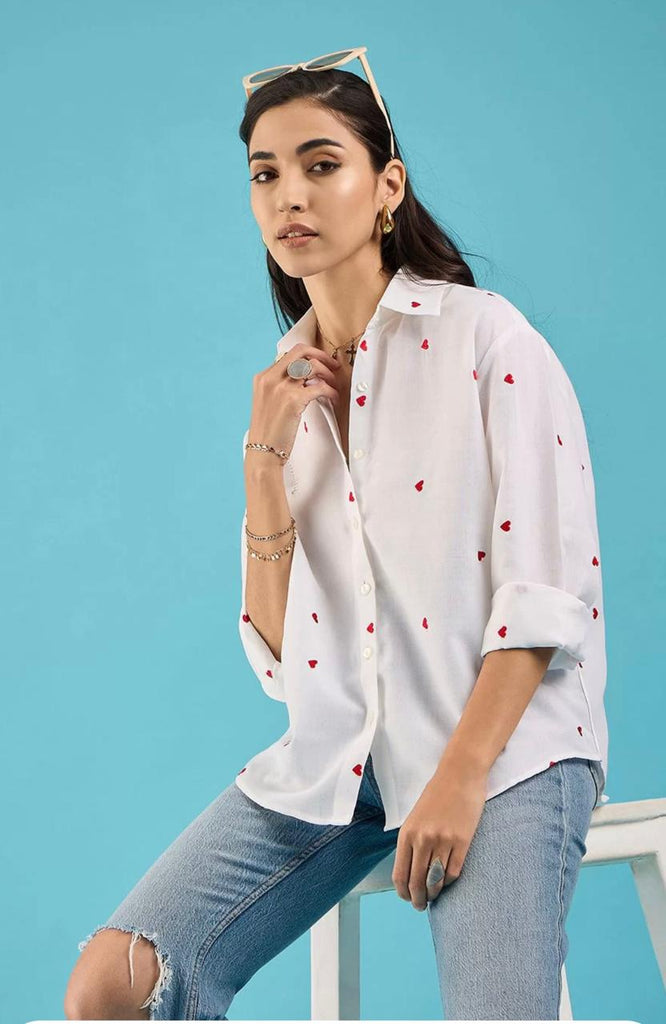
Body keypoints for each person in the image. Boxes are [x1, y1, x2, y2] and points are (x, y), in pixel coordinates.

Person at [64, 51, 609, 1021]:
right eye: (265, 174)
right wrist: (262, 466)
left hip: (503, 747)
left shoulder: (486, 340)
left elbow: (542, 598)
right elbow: (283, 662)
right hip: (344, 763)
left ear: (387, 186)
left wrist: (457, 780)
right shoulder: (285, 388)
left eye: (322, 164)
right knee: (115, 988)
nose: (290, 195)